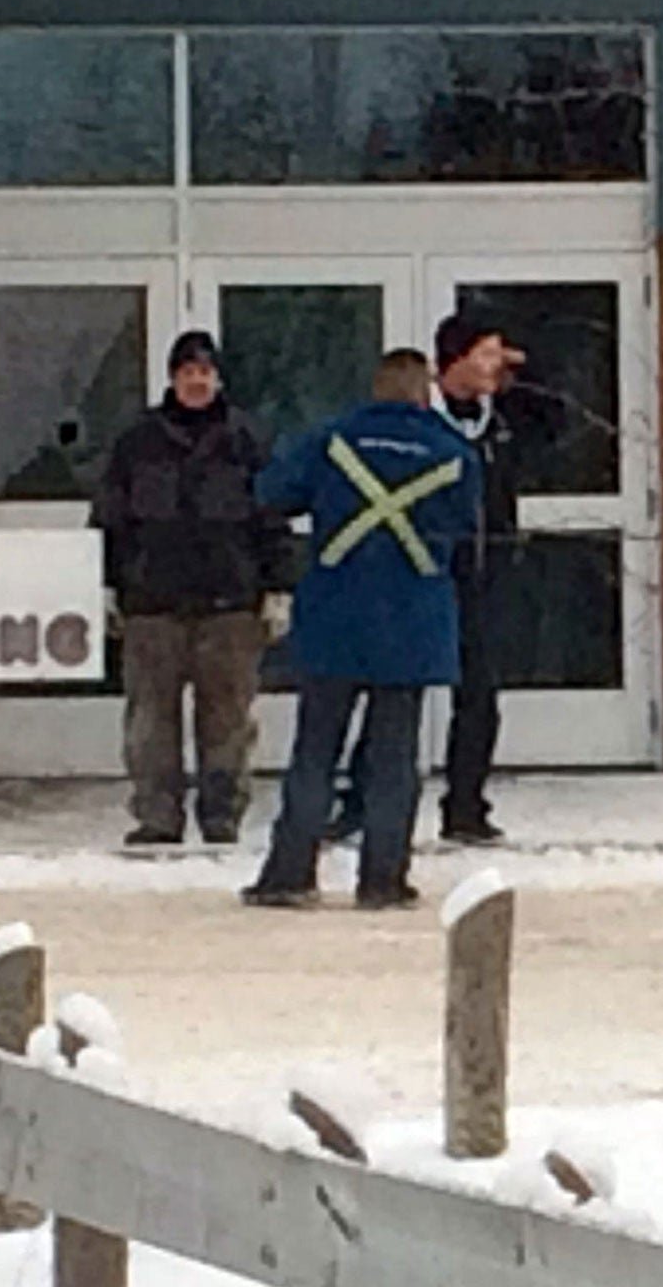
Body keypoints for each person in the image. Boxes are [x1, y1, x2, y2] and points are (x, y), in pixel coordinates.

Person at [242, 349, 481, 909]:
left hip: (336, 618)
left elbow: (271, 493)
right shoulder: (453, 453)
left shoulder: (331, 440)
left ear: (376, 389)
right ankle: (383, 879)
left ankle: (290, 874)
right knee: (394, 758)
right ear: (425, 393)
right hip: (411, 622)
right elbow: (467, 525)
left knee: (315, 751)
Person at [93, 330, 293, 847]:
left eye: (204, 372)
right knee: (149, 725)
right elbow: (110, 519)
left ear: (218, 377)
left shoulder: (248, 439)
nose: (196, 381)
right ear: (172, 378)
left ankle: (221, 817)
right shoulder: (137, 442)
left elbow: (272, 519)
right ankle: (157, 818)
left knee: (227, 722)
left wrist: (278, 588)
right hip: (151, 604)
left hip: (230, 603)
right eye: (187, 372)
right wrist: (106, 585)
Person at [328, 316, 523, 846]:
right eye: (485, 354)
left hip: (482, 573)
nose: (494, 367)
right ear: (453, 360)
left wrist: (521, 374)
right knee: (395, 687)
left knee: (479, 692)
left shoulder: (499, 420)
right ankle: (359, 802)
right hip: (420, 571)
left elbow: (557, 420)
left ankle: (466, 807)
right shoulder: (419, 419)